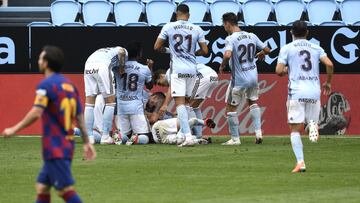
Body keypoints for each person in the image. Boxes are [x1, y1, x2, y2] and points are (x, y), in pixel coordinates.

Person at [1, 45, 96, 203]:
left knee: (64, 190)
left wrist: (14, 129)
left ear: (46, 63)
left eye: (40, 58)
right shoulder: (70, 86)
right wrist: (87, 142)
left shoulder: (46, 85)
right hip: (66, 145)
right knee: (42, 187)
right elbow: (79, 117)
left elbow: (36, 112)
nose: (38, 61)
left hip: (55, 147)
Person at [276, 20, 334, 173]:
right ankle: (312, 124)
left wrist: (286, 69)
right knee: (309, 125)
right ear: (307, 33)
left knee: (295, 129)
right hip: (314, 91)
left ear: (291, 33)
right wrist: (328, 83)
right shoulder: (316, 47)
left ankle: (300, 162)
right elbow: (330, 64)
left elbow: (278, 70)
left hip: (296, 92)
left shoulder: (287, 48)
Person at [154, 4, 208, 147]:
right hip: (192, 69)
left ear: (176, 14)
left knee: (179, 104)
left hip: (178, 69)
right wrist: (192, 53)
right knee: (188, 104)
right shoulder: (197, 28)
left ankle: (188, 137)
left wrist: (169, 51)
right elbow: (205, 51)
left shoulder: (168, 27)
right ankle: (186, 134)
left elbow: (157, 47)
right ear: (188, 15)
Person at [219, 12, 271, 146]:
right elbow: (267, 50)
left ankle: (235, 139)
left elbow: (228, 54)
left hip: (239, 80)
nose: (223, 27)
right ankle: (258, 132)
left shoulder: (230, 39)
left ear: (227, 24)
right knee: (253, 102)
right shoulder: (251, 35)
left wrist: (223, 64)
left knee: (230, 108)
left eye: (223, 24)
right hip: (253, 77)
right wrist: (260, 54)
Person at [153, 63, 218, 138]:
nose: (162, 86)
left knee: (188, 107)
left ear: (161, 76)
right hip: (214, 77)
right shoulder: (180, 70)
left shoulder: (169, 72)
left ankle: (195, 135)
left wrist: (165, 105)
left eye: (160, 83)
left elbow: (171, 88)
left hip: (205, 77)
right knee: (194, 106)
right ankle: (198, 134)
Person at [84, 46, 127, 144]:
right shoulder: (122, 49)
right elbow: (122, 52)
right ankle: (105, 136)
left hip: (88, 66)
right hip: (102, 67)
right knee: (110, 102)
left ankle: (89, 137)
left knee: (89, 103)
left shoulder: (106, 50)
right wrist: (121, 68)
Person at [114, 41, 153, 145]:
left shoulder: (117, 68)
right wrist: (150, 68)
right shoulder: (144, 69)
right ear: (139, 54)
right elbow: (150, 86)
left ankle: (120, 137)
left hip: (121, 106)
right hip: (136, 106)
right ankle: (135, 139)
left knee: (124, 134)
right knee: (144, 137)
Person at [151, 117, 216, 145]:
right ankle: (203, 123)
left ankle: (199, 139)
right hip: (157, 129)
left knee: (181, 139)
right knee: (181, 139)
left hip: (158, 135)